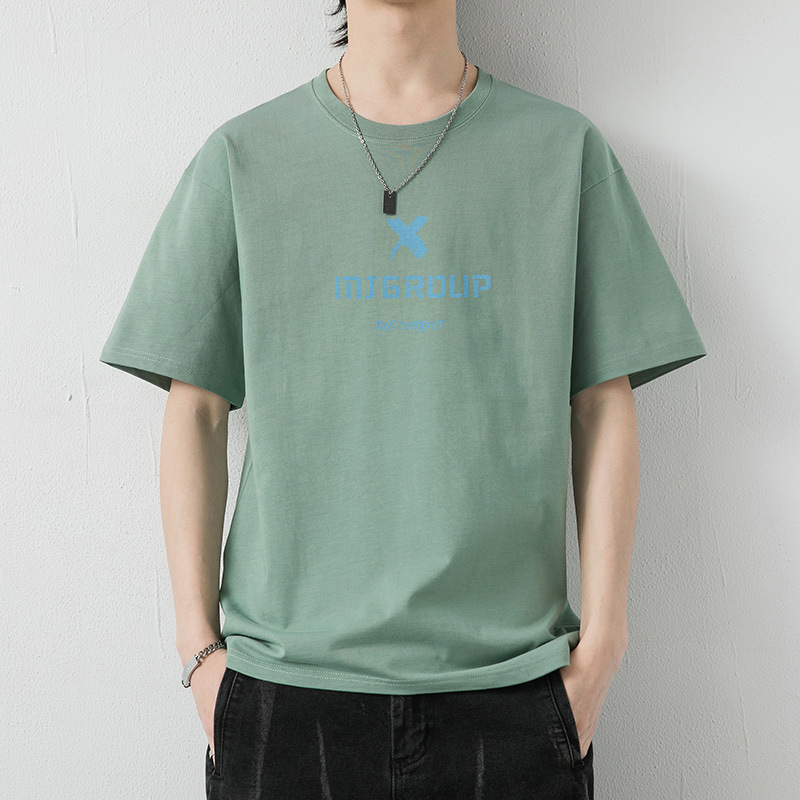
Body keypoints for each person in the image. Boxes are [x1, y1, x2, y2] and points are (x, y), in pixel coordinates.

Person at [99, 1, 707, 797]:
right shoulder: (244, 157)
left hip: (514, 689)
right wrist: (198, 650)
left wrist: (603, 649)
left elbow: (603, 401)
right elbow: (195, 408)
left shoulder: (562, 152)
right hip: (285, 688)